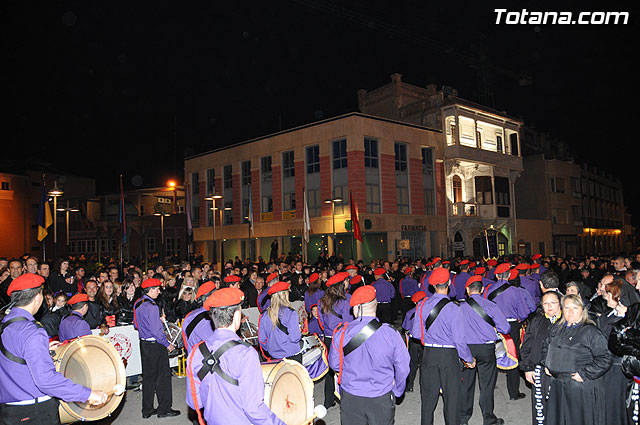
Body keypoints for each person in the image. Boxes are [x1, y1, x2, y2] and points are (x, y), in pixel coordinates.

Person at [0, 273, 107, 424]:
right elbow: (46, 381)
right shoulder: (32, 332)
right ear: (37, 297)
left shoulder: (6, 324)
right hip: (34, 411)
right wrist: (87, 394)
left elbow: (14, 354)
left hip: (8, 410)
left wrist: (41, 348)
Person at [186, 287, 286, 425]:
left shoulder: (195, 352)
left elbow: (194, 401)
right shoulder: (246, 353)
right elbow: (253, 408)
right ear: (237, 315)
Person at [329, 285, 410, 425]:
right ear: (376, 306)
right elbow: (403, 367)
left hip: (351, 396)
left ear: (355, 309)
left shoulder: (341, 333)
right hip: (381, 396)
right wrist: (397, 391)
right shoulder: (391, 334)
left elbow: (334, 364)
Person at [410, 267, 475, 425]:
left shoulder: (422, 305)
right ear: (449, 284)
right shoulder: (454, 308)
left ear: (432, 286)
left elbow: (417, 334)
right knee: (452, 399)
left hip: (429, 354)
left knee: (428, 399)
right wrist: (468, 358)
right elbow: (459, 339)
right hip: (449, 356)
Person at [541, 294, 612, 425]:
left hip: (578, 386)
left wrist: (584, 373)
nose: (571, 311)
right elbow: (546, 346)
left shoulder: (590, 331)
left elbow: (605, 358)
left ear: (582, 310)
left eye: (575, 307)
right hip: (558, 385)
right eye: (567, 308)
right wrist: (547, 363)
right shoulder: (557, 328)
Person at [459, 275, 510, 425]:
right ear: (482, 289)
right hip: (487, 348)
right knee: (487, 385)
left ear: (467, 290)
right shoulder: (491, 305)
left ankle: (463, 418)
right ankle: (488, 418)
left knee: (466, 385)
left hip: (467, 349)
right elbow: (505, 328)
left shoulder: (460, 308)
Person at [484, 263, 535, 400]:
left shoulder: (488, 290)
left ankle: (488, 389)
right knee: (513, 356)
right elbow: (524, 312)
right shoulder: (515, 291)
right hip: (511, 326)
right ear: (509, 275)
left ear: (496, 275)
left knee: (492, 356)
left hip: (493, 326)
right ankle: (513, 392)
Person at [258, 281, 328, 381]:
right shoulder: (290, 313)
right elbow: (295, 338)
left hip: (274, 356)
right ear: (285, 295)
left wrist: (272, 347)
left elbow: (262, 339)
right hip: (291, 355)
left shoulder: (264, 315)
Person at [133, 278, 180, 419]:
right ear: (151, 290)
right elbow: (157, 332)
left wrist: (153, 321)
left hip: (144, 344)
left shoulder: (138, 303)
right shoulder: (152, 306)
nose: (159, 291)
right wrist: (168, 344)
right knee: (163, 377)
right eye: (157, 289)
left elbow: (136, 325)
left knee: (148, 378)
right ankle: (164, 409)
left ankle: (147, 410)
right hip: (156, 346)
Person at [520, 290, 562, 425]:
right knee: (541, 407)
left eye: (553, 303)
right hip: (540, 371)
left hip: (561, 373)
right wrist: (527, 368)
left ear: (560, 304)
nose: (549, 307)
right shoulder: (537, 321)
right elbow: (526, 345)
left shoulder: (567, 320)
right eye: (546, 303)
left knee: (560, 407)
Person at [597, 278, 631, 425]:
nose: (606, 296)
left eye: (610, 294)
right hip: (605, 365)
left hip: (619, 369)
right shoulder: (607, 316)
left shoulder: (631, 320)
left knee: (618, 405)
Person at [318, 272, 354, 409]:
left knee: (330, 370)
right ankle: (347, 399)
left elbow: (321, 322)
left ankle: (328, 400)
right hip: (343, 338)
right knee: (346, 368)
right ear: (342, 284)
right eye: (346, 280)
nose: (348, 282)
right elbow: (350, 322)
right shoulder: (348, 300)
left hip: (329, 338)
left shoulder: (322, 301)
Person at [402, 290, 427, 392]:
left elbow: (405, 327)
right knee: (424, 364)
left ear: (415, 302)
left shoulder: (410, 313)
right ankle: (424, 385)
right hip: (426, 341)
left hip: (414, 341)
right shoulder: (429, 311)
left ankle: (410, 385)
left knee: (412, 363)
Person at [181, 281, 217, 354]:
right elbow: (214, 345)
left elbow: (185, 342)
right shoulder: (207, 319)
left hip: (192, 357)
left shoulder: (190, 314)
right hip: (204, 361)